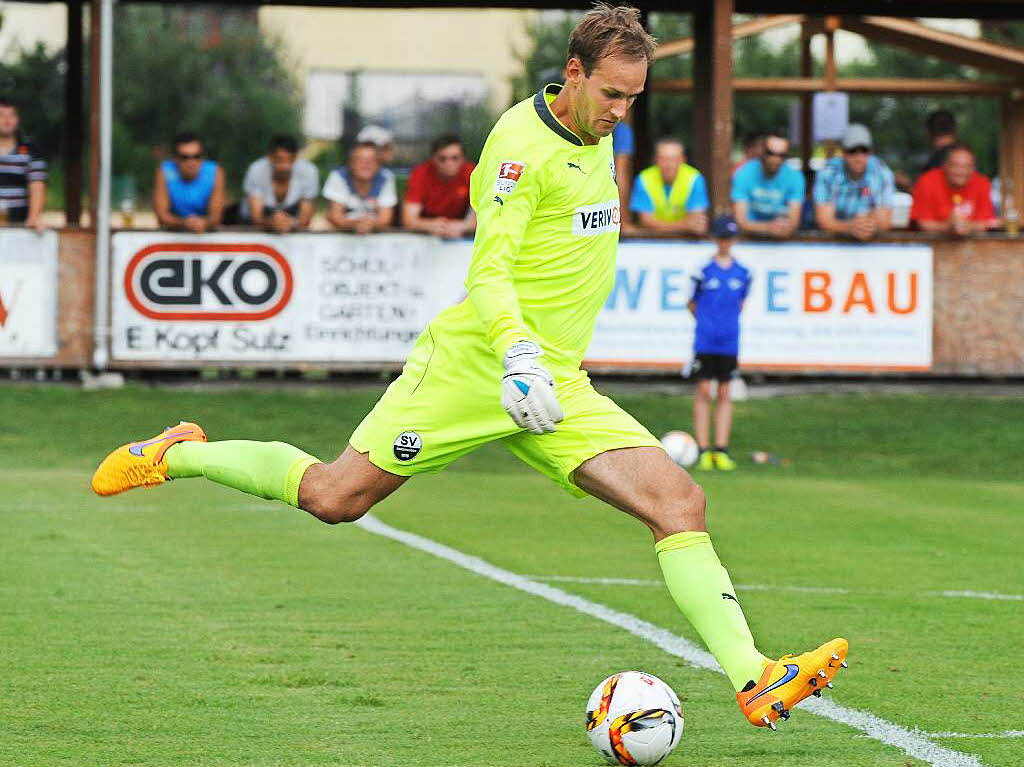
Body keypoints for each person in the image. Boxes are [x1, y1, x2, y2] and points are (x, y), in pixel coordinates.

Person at [91, 3, 846, 734]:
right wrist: (517, 354)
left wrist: (542, 365)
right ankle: (179, 452)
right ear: (573, 73)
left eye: (635, 98)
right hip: (476, 366)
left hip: (557, 383)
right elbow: (489, 270)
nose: (623, 111)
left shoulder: (599, 132)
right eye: (612, 94)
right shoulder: (520, 146)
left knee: (679, 502)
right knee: (333, 495)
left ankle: (753, 675)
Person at [688, 214, 749, 472]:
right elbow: (692, 303)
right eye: (721, 237)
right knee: (703, 392)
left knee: (725, 393)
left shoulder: (743, 273)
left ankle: (721, 449)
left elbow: (741, 304)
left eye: (730, 238)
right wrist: (707, 324)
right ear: (715, 239)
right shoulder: (703, 271)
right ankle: (703, 449)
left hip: (729, 343)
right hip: (705, 342)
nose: (725, 242)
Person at [813, 124, 895, 241]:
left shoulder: (882, 173)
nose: (859, 157)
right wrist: (849, 227)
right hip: (834, 244)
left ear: (871, 152)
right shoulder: (828, 173)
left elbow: (885, 222)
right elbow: (823, 220)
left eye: (864, 151)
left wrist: (868, 227)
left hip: (871, 245)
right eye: (852, 151)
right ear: (843, 153)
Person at [731, 130, 804, 239]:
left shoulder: (795, 177)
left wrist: (783, 228)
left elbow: (794, 222)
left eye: (782, 155)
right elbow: (740, 221)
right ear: (761, 151)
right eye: (771, 153)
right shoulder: (743, 173)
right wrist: (769, 227)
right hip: (749, 242)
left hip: (782, 243)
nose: (776, 159)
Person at [910, 145, 998, 235]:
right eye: (955, 166)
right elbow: (922, 223)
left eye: (967, 167)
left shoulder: (982, 183)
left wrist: (967, 226)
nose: (961, 172)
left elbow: (987, 223)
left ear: (973, 169)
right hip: (934, 245)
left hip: (972, 245)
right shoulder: (927, 182)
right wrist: (948, 226)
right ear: (945, 166)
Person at [629, 136, 709, 235]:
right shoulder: (644, 179)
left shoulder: (695, 178)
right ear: (656, 160)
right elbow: (646, 221)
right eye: (663, 159)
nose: (669, 164)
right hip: (652, 242)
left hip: (686, 243)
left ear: (682, 160)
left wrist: (658, 225)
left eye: (673, 159)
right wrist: (684, 225)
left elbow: (696, 223)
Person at [402, 135, 476, 239]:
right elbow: (409, 219)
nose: (449, 163)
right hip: (427, 233)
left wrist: (462, 226)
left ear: (463, 158)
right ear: (433, 159)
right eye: (442, 159)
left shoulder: (473, 174)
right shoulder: (420, 174)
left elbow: (483, 214)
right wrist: (430, 225)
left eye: (455, 158)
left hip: (461, 231)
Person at [241, 135, 319, 233]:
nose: (284, 166)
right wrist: (272, 223)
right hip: (261, 217)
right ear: (270, 157)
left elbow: (306, 218)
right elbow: (256, 216)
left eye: (290, 160)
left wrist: (289, 223)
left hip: (292, 215)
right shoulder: (256, 169)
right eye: (279, 160)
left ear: (296, 157)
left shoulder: (309, 171)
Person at [153, 131, 225, 233]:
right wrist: (184, 223)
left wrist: (204, 223)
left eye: (197, 156)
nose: (191, 162)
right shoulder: (165, 171)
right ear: (175, 158)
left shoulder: (215, 172)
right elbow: (162, 216)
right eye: (184, 157)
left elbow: (216, 217)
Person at [322, 141, 397, 234]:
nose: (366, 165)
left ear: (379, 164)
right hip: (342, 234)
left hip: (375, 235)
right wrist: (356, 224)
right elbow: (335, 216)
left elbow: (386, 219)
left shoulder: (386, 177)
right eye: (360, 160)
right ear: (351, 163)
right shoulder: (338, 176)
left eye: (372, 160)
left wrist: (370, 225)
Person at [0, 97, 47, 231]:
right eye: (1, 115)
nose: (7, 120)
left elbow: (37, 184)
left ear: (17, 119)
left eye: (11, 115)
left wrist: (34, 217)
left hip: (19, 226)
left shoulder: (31, 150)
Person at [612, 120, 635, 225]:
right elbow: (620, 176)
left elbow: (620, 176)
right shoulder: (622, 130)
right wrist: (623, 222)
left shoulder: (621, 131)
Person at [922, 110, 957, 175]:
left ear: (928, 132)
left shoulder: (936, 160)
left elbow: (932, 184)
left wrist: (907, 184)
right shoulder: (967, 156)